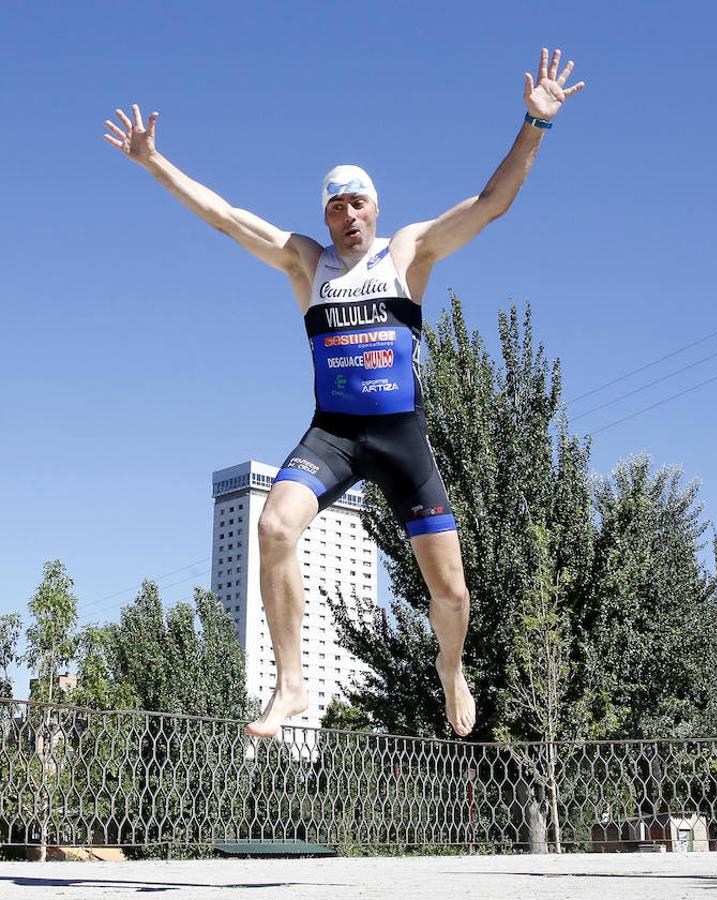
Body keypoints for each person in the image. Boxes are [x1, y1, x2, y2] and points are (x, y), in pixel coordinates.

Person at [104, 48, 585, 739]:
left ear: (375, 207)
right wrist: (155, 162)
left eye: (357, 200)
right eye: (335, 205)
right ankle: (291, 684)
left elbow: (490, 205)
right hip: (333, 432)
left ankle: (452, 667)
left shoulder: (408, 252)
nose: (347, 213)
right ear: (326, 217)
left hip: (400, 438)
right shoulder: (308, 262)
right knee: (273, 526)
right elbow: (226, 217)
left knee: (450, 593)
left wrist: (533, 125)